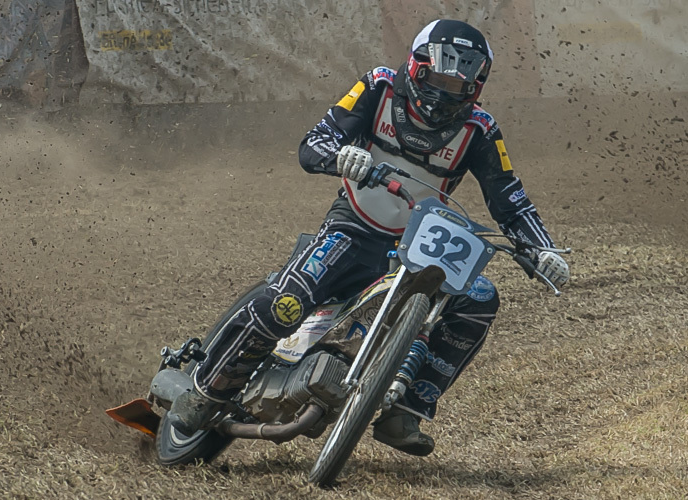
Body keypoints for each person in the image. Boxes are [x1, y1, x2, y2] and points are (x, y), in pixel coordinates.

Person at [170, 19, 570, 456]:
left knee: (479, 299)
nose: (442, 92)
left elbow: (510, 199)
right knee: (283, 303)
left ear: (474, 89)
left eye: (456, 85)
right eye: (436, 78)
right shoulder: (377, 87)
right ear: (415, 68)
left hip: (418, 246)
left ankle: (408, 410)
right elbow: (313, 143)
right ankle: (205, 393)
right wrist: (343, 154)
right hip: (352, 227)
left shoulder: (481, 130)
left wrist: (542, 248)